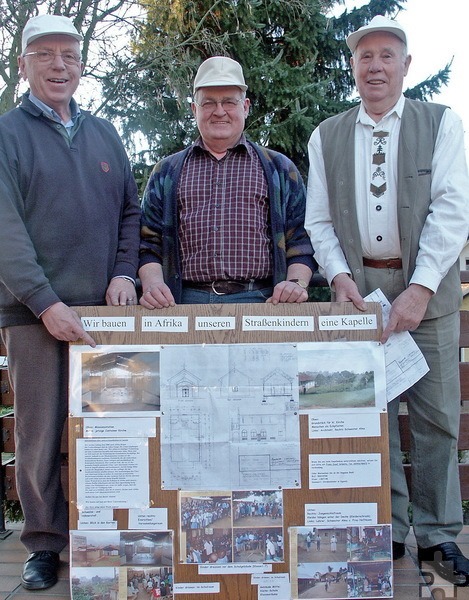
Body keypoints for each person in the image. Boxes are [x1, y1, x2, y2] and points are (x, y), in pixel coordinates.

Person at [305, 14, 469, 586]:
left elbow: (453, 210)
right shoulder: (325, 134)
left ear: (405, 65)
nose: (374, 66)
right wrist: (339, 279)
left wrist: (421, 288)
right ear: (353, 67)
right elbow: (319, 221)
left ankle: (440, 533)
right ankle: (392, 529)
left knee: (436, 417)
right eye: (364, 56)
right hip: (362, 296)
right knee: (371, 415)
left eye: (385, 55)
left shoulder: (442, 123)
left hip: (429, 296)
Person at [0, 14, 140, 590]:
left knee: (112, 431)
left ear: (82, 64)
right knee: (40, 434)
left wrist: (124, 272)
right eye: (46, 55)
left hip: (105, 319)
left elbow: (131, 213)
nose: (60, 65)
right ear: (24, 63)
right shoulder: (7, 134)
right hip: (34, 316)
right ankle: (44, 545)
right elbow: (4, 229)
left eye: (70, 55)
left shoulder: (106, 134)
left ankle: (106, 535)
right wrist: (42, 301)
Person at [138, 56, 314, 308]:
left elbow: (300, 238)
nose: (219, 111)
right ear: (194, 109)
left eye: (229, 102)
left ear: (245, 106)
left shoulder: (279, 169)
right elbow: (149, 242)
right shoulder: (166, 172)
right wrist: (154, 285)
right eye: (208, 102)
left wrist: (295, 284)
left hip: (263, 301)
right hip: (184, 302)